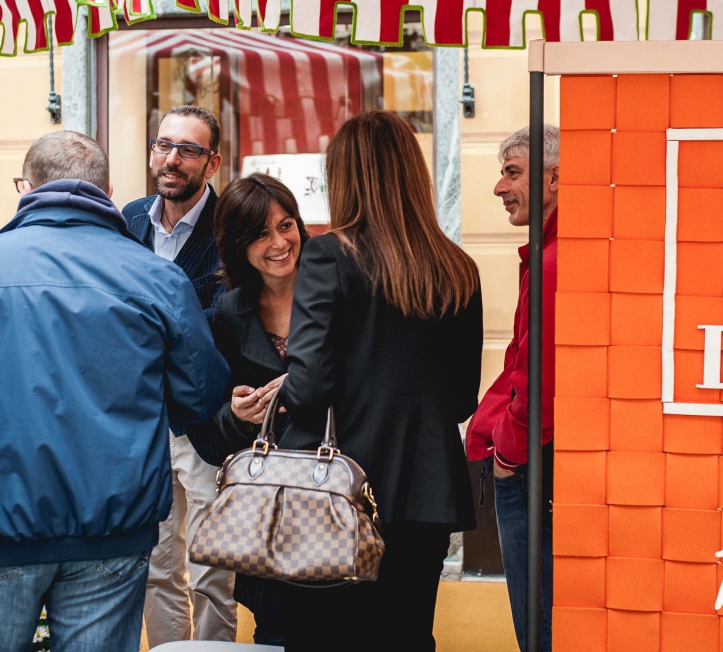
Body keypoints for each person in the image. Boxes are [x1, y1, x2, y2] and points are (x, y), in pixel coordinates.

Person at [0, 131, 229, 652]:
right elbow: (202, 393)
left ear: (26, 187)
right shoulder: (156, 277)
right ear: (107, 191)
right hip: (113, 525)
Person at [272, 111, 484, 651]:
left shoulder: (328, 255)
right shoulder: (458, 267)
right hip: (428, 492)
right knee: (407, 636)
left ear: (345, 177)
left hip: (339, 491)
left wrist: (279, 398)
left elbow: (309, 385)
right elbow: (462, 397)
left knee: (322, 636)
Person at [123, 105, 238, 646]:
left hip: (206, 420)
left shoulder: (231, 226)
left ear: (211, 163)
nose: (171, 159)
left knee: (214, 568)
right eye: (163, 145)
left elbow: (233, 319)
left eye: (188, 150)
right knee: (155, 563)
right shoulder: (127, 220)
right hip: (142, 420)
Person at [190, 173, 310, 645]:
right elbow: (207, 429)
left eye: (286, 225)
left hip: (338, 494)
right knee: (277, 632)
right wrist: (237, 416)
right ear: (238, 245)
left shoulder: (338, 292)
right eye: (261, 234)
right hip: (269, 514)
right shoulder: (228, 313)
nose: (279, 243)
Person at [466, 125, 560, 652]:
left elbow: (541, 375)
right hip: (527, 456)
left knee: (538, 626)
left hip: (527, 463)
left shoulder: (552, 261)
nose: (500, 187)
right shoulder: (548, 254)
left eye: (513, 172)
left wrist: (508, 449)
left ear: (556, 179)